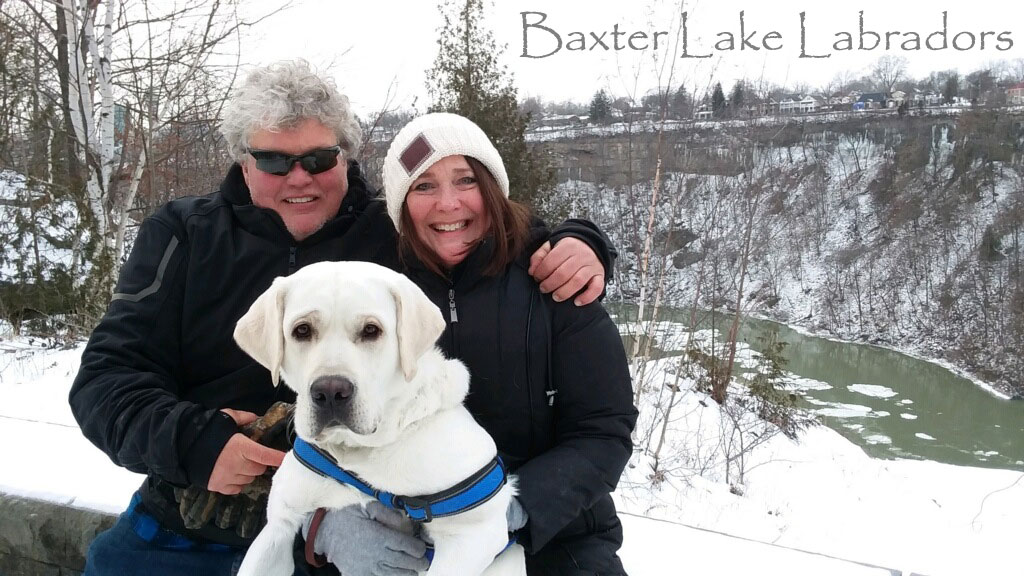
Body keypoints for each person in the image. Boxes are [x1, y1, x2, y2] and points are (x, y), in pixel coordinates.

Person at [69, 61, 614, 576]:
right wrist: (194, 445)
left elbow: (482, 228)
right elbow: (106, 379)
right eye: (274, 160)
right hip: (186, 514)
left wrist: (581, 243)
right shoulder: (183, 235)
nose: (298, 178)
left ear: (346, 160)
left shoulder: (391, 234)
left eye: (319, 159)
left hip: (343, 525)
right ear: (242, 162)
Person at [305, 113, 637, 575]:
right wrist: (325, 520)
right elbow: (317, 413)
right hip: (400, 533)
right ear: (400, 205)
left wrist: (509, 510)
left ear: (493, 189)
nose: (447, 204)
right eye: (423, 187)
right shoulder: (372, 293)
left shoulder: (554, 282)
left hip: (556, 537)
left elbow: (604, 429)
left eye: (466, 180)